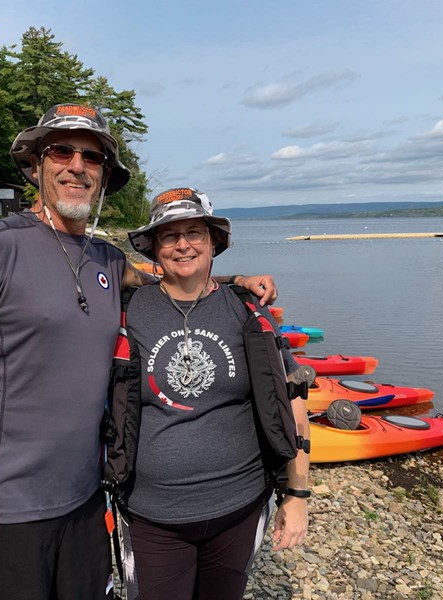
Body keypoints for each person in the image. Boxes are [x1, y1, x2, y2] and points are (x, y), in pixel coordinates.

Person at [0, 104, 278, 600]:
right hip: (4, 505)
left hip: (86, 500)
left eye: (93, 157)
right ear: (36, 164)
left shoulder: (107, 258)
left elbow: (170, 278)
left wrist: (235, 282)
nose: (76, 165)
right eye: (62, 150)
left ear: (104, 176)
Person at [114, 187, 311, 600]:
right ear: (153, 247)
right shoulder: (129, 308)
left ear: (214, 242)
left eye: (194, 233)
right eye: (169, 235)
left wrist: (297, 495)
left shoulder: (247, 310)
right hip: (153, 513)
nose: (182, 244)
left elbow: (292, 399)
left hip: (238, 507)